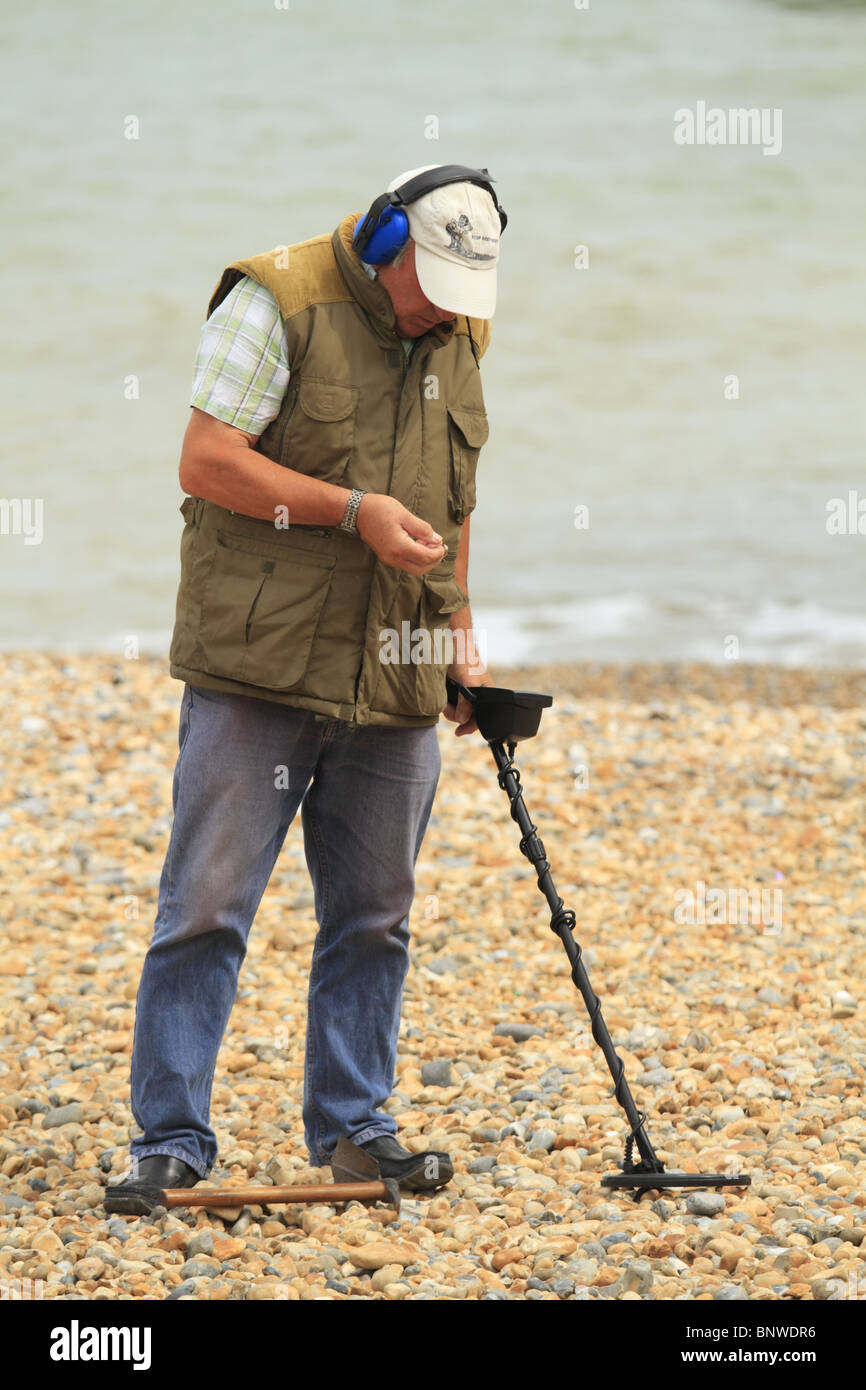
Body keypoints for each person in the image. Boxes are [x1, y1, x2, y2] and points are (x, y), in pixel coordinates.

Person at [106, 164, 505, 1209]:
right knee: (204, 908)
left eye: (465, 299)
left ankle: (355, 1127)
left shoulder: (459, 331)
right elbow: (206, 461)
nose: (442, 314)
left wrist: (458, 633)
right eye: (428, 286)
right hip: (258, 670)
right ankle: (170, 1138)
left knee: (375, 915)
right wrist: (350, 510)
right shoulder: (272, 302)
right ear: (382, 244)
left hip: (395, 674)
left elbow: (455, 499)